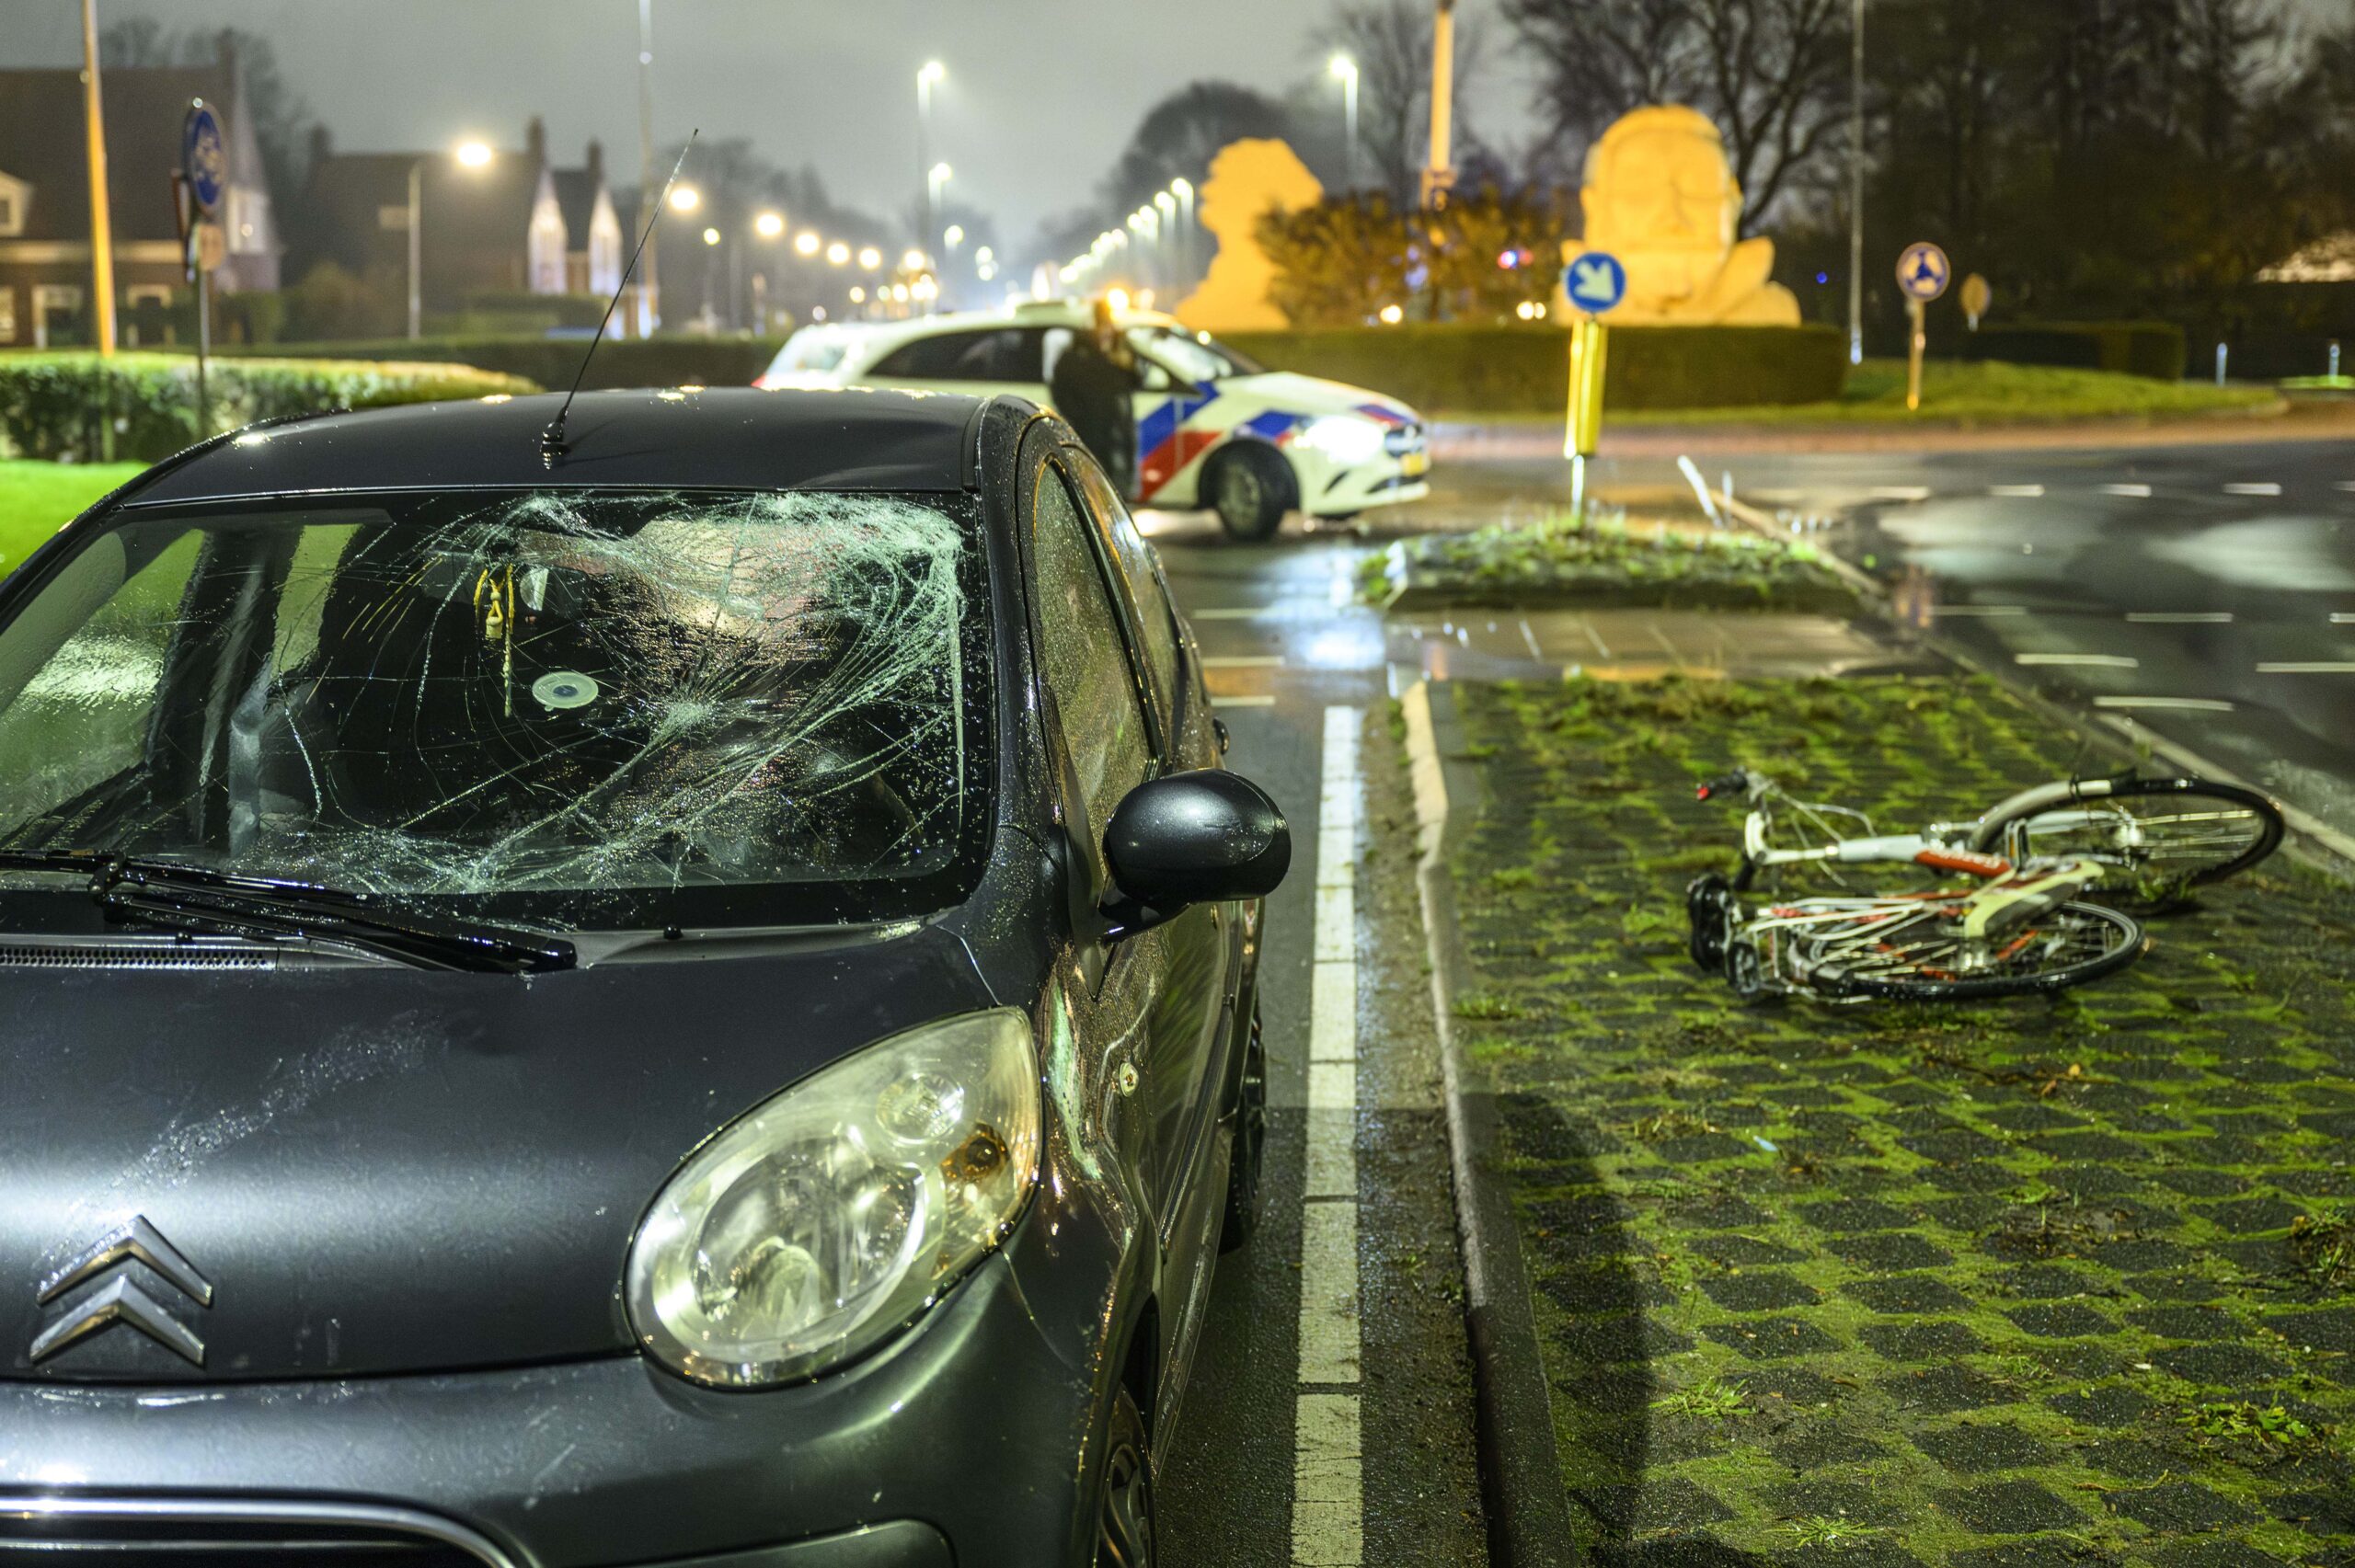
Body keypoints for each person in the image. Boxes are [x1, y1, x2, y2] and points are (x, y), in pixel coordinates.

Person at [1049, 298, 1139, 500]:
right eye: (1102, 324)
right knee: (1091, 484)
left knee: (1110, 485)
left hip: (1112, 431)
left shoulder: (1115, 351)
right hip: (1089, 430)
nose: (1106, 330)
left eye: (1108, 324)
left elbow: (1134, 381)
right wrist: (1077, 416)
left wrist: (1125, 362)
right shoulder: (1077, 355)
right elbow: (1060, 389)